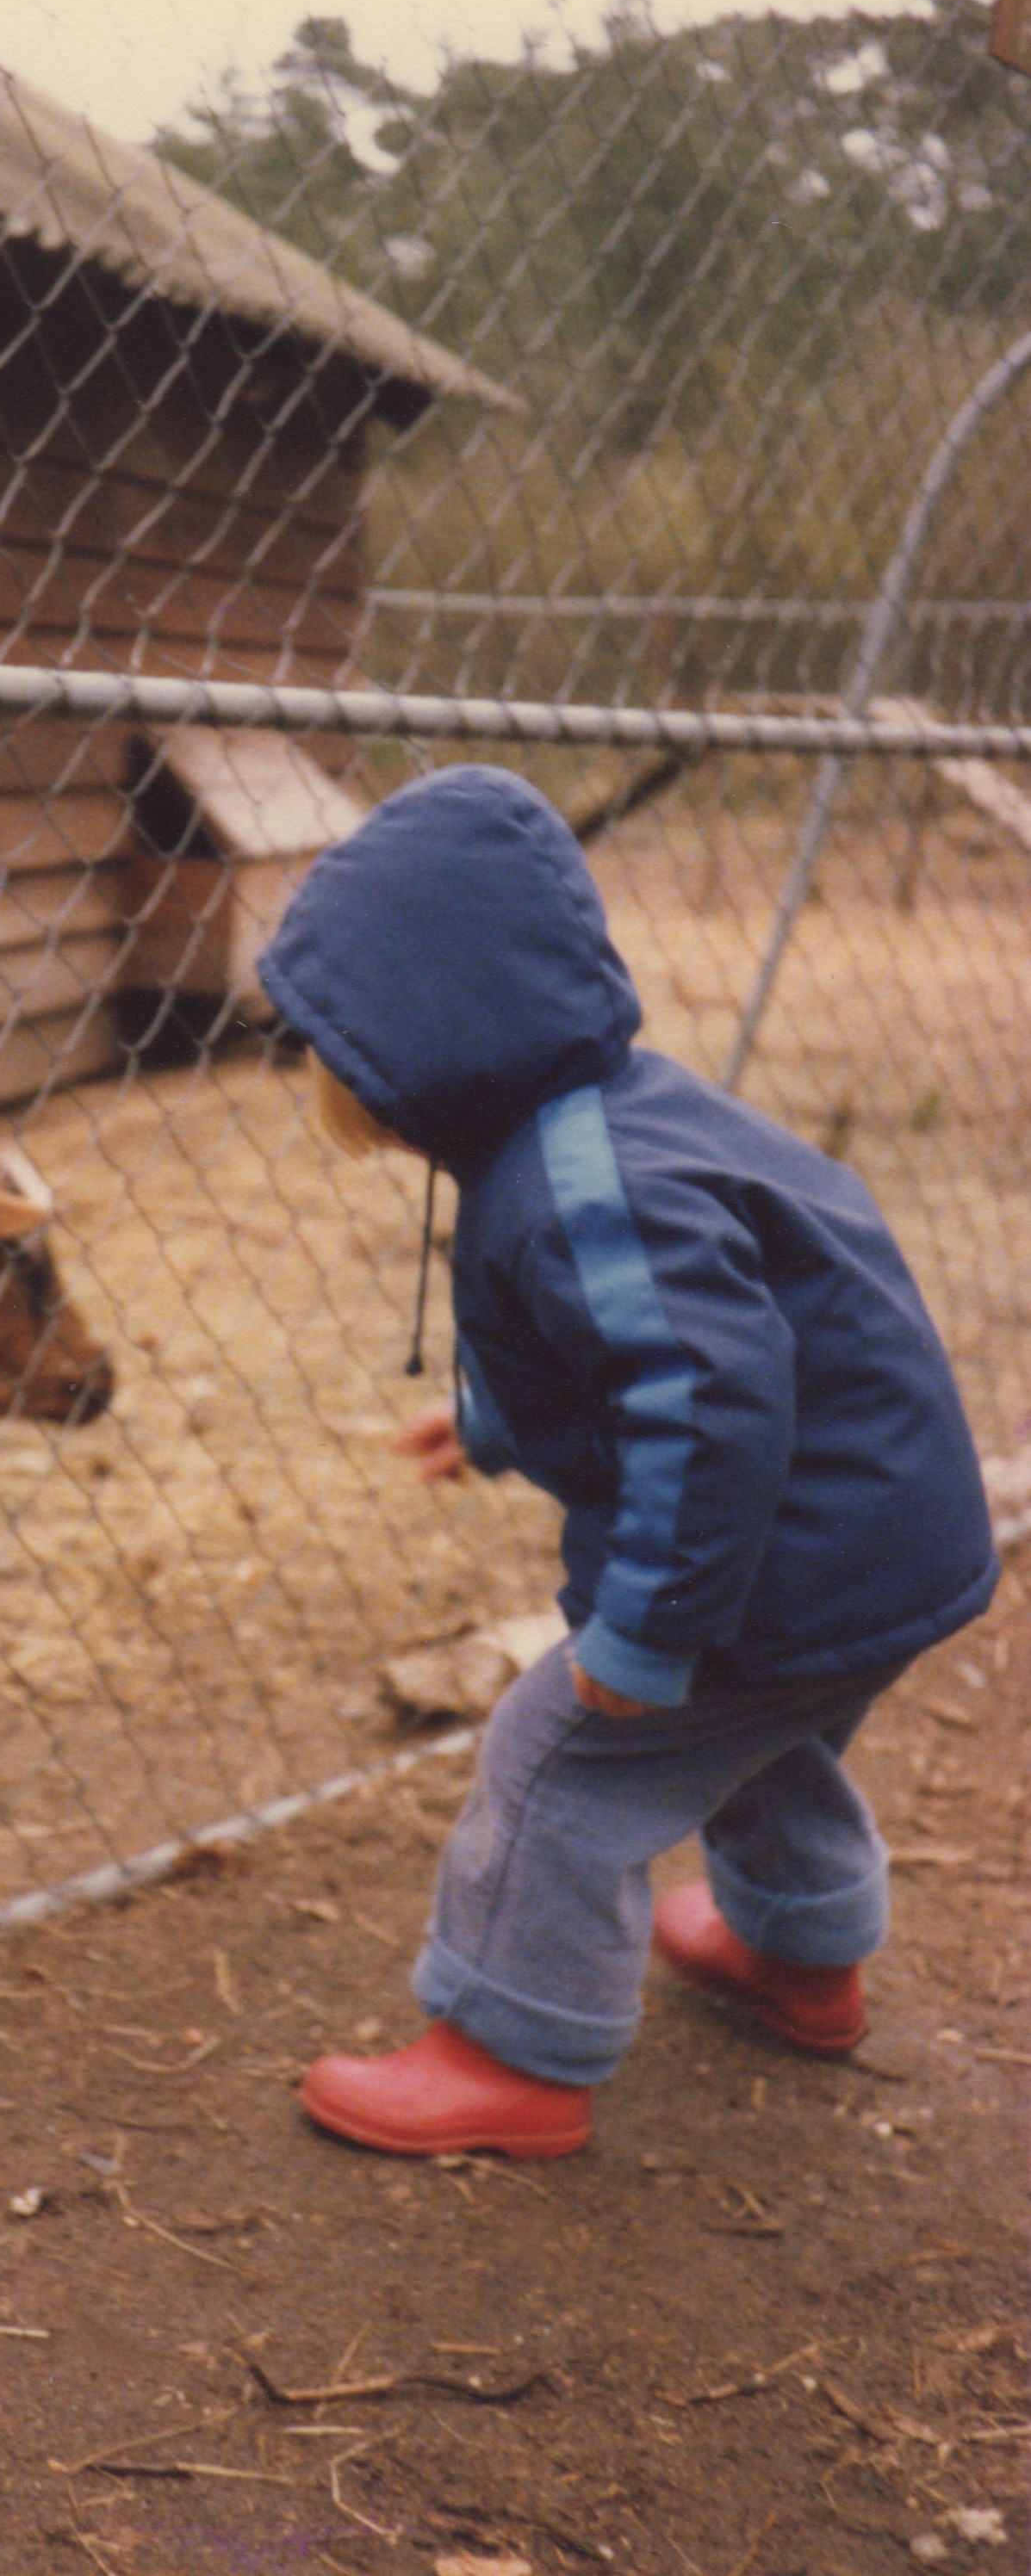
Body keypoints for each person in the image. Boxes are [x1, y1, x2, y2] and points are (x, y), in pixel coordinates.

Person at [256, 764, 998, 2159]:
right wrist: (490, 1425)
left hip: (786, 1553)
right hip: (881, 1538)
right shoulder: (617, 1117)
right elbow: (626, 1351)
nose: (340, 1088)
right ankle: (798, 1956)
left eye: (346, 1055)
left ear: (430, 1039)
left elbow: (708, 1404)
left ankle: (512, 2053)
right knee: (759, 1738)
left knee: (559, 1765)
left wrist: (649, 1627)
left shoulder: (579, 1189)